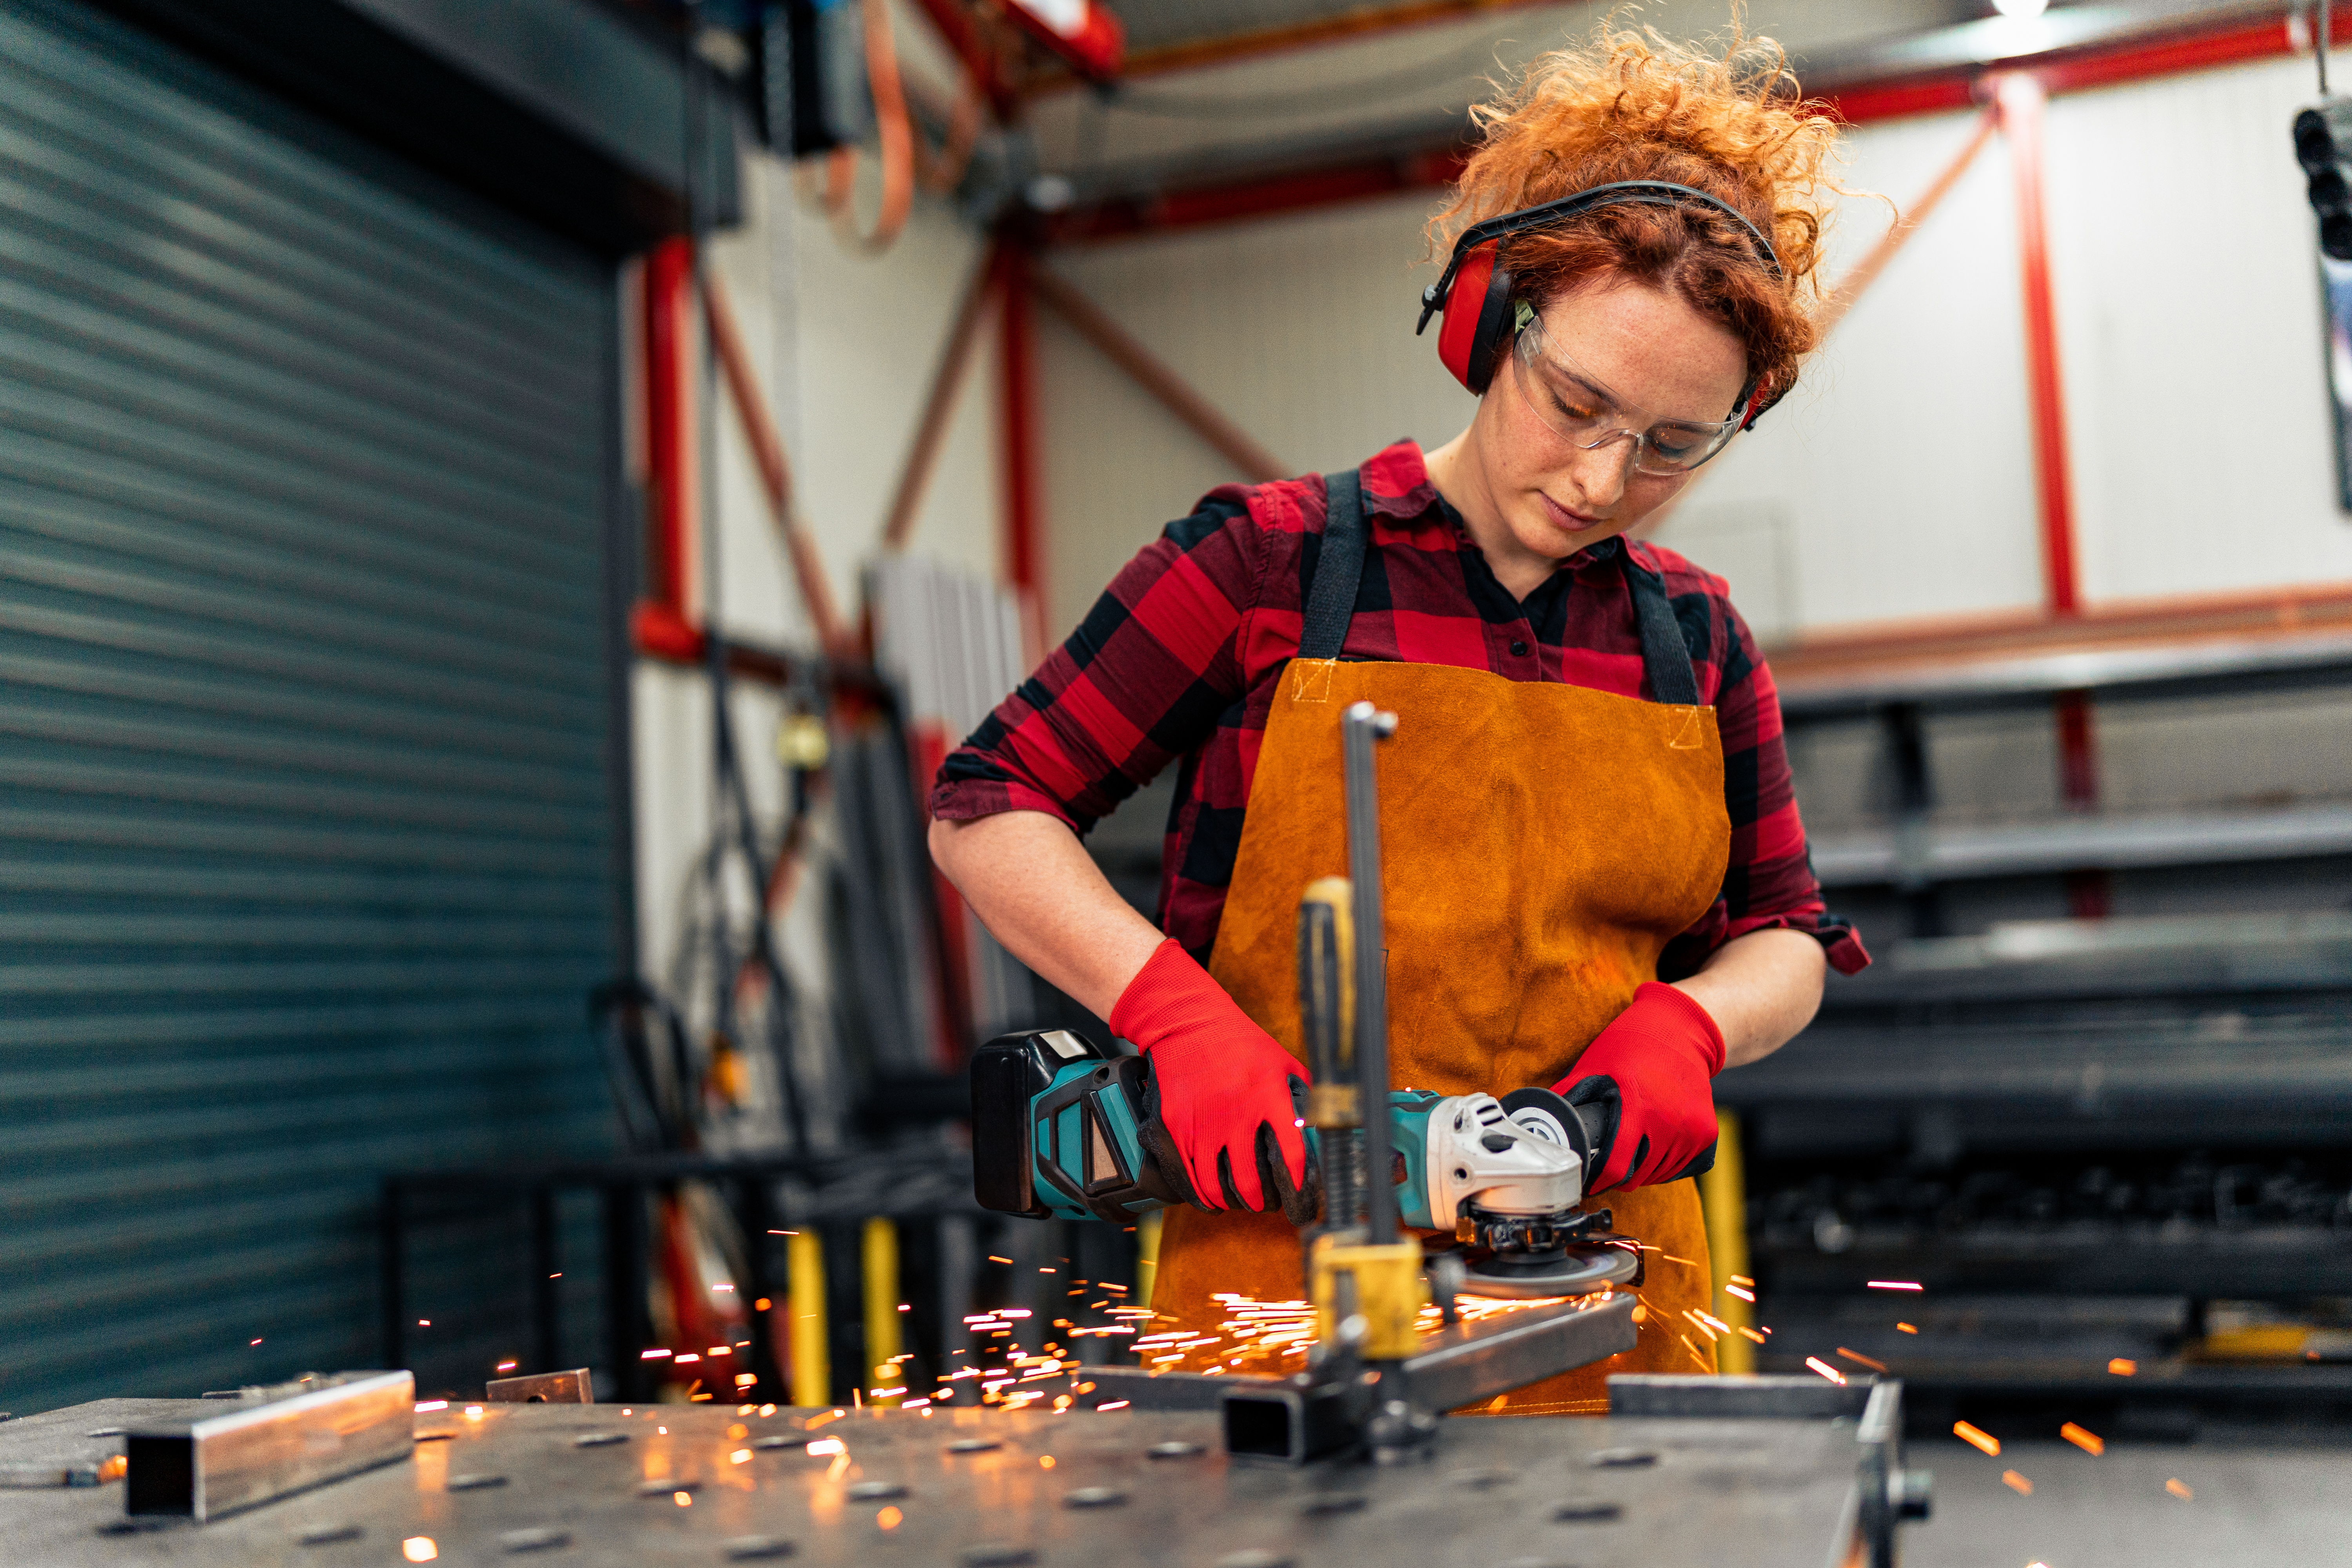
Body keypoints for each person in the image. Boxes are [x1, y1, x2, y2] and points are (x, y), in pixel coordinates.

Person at [928, 22, 1868, 1413]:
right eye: (1576, 404)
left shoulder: (1696, 640)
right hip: (1279, 1281)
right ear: (1494, 322)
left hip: (1610, 1299)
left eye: (1674, 446)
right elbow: (990, 801)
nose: (1606, 478)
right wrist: (1176, 1020)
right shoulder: (1268, 564)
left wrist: (1695, 1030)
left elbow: (1784, 933)